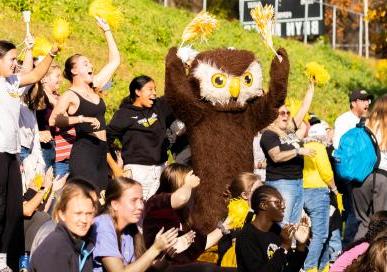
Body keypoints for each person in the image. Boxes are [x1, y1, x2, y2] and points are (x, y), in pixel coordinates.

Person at [0, 39, 59, 271]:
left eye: (16, 59)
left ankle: (5, 258)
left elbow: (35, 76)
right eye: (12, 59)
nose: (16, 64)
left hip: (12, 154)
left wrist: (52, 53)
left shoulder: (13, 83)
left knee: (12, 207)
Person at [50, 17, 120, 191]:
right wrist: (81, 119)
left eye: (90, 62)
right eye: (85, 63)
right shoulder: (70, 95)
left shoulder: (94, 85)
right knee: (88, 197)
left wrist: (107, 30)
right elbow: (54, 120)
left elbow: (114, 61)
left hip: (101, 152)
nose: (91, 65)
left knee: (101, 200)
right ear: (74, 71)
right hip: (84, 152)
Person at [142, 163, 231, 271]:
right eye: (188, 183)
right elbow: (182, 197)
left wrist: (228, 223)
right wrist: (188, 184)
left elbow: (202, 243)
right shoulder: (156, 202)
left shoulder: (183, 213)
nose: (192, 190)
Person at [106, 75, 174, 200]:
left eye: (155, 89)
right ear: (137, 92)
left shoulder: (159, 107)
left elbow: (178, 93)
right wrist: (115, 169)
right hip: (137, 171)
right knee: (137, 212)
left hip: (161, 169)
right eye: (150, 89)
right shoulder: (124, 114)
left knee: (160, 211)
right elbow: (103, 142)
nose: (154, 93)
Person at [92, 177, 178, 272]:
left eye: (141, 200)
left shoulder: (128, 231)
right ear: (115, 204)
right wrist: (155, 249)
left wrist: (167, 256)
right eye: (134, 200)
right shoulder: (103, 225)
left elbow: (143, 268)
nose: (141, 206)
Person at [260, 81, 316, 225]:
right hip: (281, 183)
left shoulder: (288, 131)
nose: (286, 116)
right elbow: (276, 156)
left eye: (287, 113)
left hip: (298, 182)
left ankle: (289, 248)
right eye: (282, 113)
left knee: (293, 226)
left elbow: (303, 109)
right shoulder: (269, 135)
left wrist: (310, 91)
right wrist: (298, 151)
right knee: (282, 224)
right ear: (273, 116)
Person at [235, 185, 309, 272]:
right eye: (278, 203)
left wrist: (301, 245)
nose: (283, 206)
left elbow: (290, 269)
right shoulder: (247, 236)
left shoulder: (276, 231)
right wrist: (284, 247)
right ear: (263, 205)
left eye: (283, 202)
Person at [332, 89, 373, 246]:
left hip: (364, 174)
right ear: (353, 102)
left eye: (367, 100)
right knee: (353, 213)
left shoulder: (365, 120)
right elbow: (338, 146)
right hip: (350, 175)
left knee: (360, 212)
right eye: (363, 100)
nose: (367, 103)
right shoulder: (344, 120)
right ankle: (348, 248)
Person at [29, 181, 97, 272]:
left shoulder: (84, 244)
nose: (84, 220)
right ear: (62, 214)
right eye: (78, 213)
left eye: (89, 214)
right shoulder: (54, 248)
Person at [302, 122, 340, 272]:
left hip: (304, 191)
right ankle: (310, 267)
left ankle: (323, 266)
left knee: (321, 233)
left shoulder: (303, 147)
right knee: (321, 235)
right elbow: (326, 171)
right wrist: (334, 188)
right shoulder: (319, 147)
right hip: (318, 192)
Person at [351, 94, 387, 239]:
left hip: (360, 178)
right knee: (381, 223)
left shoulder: (363, 124)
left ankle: (356, 257)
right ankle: (377, 258)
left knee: (364, 223)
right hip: (382, 178)